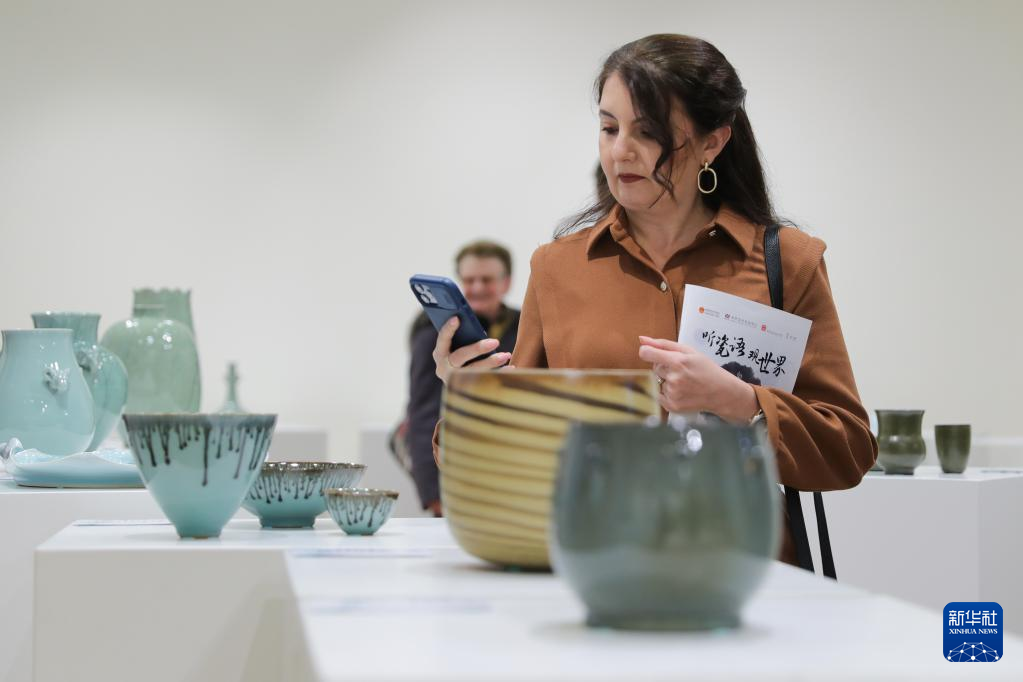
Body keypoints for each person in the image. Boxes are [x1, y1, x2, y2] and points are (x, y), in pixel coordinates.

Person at [431, 34, 877, 566]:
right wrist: (469, 398)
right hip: (596, 567)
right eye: (609, 128)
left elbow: (848, 448)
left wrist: (742, 404)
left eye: (648, 132)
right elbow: (515, 452)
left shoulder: (790, 262)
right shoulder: (556, 267)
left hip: (743, 573)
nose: (621, 150)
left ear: (713, 142)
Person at [404, 240, 519, 515]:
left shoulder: (524, 326)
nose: (477, 288)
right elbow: (423, 415)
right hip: (455, 459)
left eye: (486, 279)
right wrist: (435, 496)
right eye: (469, 280)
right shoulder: (432, 334)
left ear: (506, 283)